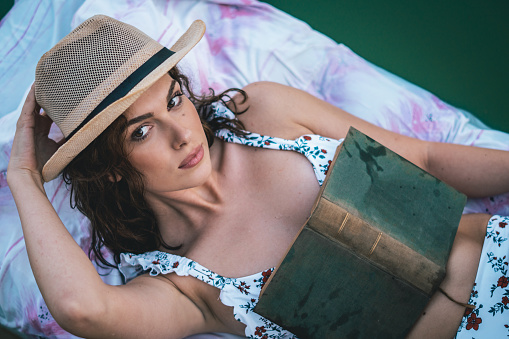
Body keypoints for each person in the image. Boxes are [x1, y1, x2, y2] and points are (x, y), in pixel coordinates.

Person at [6, 14, 509, 339]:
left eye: (174, 100)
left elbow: (424, 157)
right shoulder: (183, 287)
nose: (183, 134)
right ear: (110, 170)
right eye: (141, 132)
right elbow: (81, 309)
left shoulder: (264, 113)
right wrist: (26, 177)